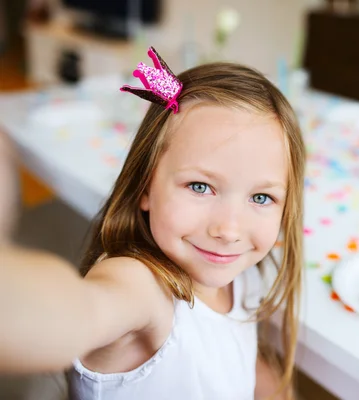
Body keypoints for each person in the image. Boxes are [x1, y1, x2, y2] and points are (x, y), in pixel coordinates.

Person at [0, 48, 305, 400]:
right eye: (200, 186)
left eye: (261, 198)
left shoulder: (240, 274)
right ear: (146, 184)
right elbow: (74, 313)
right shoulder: (143, 289)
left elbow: (237, 356)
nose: (230, 230)